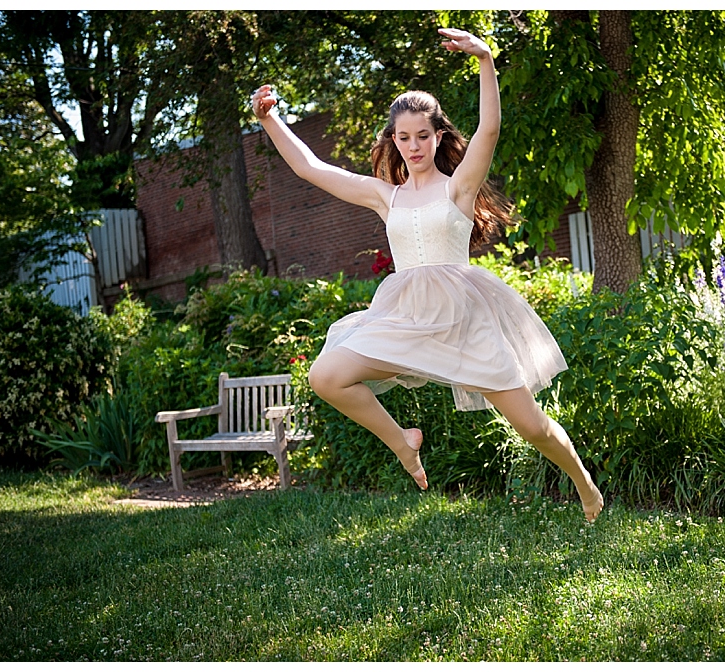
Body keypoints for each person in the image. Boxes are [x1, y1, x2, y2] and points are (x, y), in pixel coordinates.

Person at [251, 27, 603, 522]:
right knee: (326, 375)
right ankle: (404, 443)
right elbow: (311, 168)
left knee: (532, 427)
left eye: (422, 136)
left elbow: (489, 132)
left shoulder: (458, 188)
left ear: (438, 137)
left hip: (463, 322)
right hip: (408, 317)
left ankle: (584, 484)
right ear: (393, 141)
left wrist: (485, 59)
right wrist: (271, 120)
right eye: (403, 137)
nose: (413, 146)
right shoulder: (385, 195)